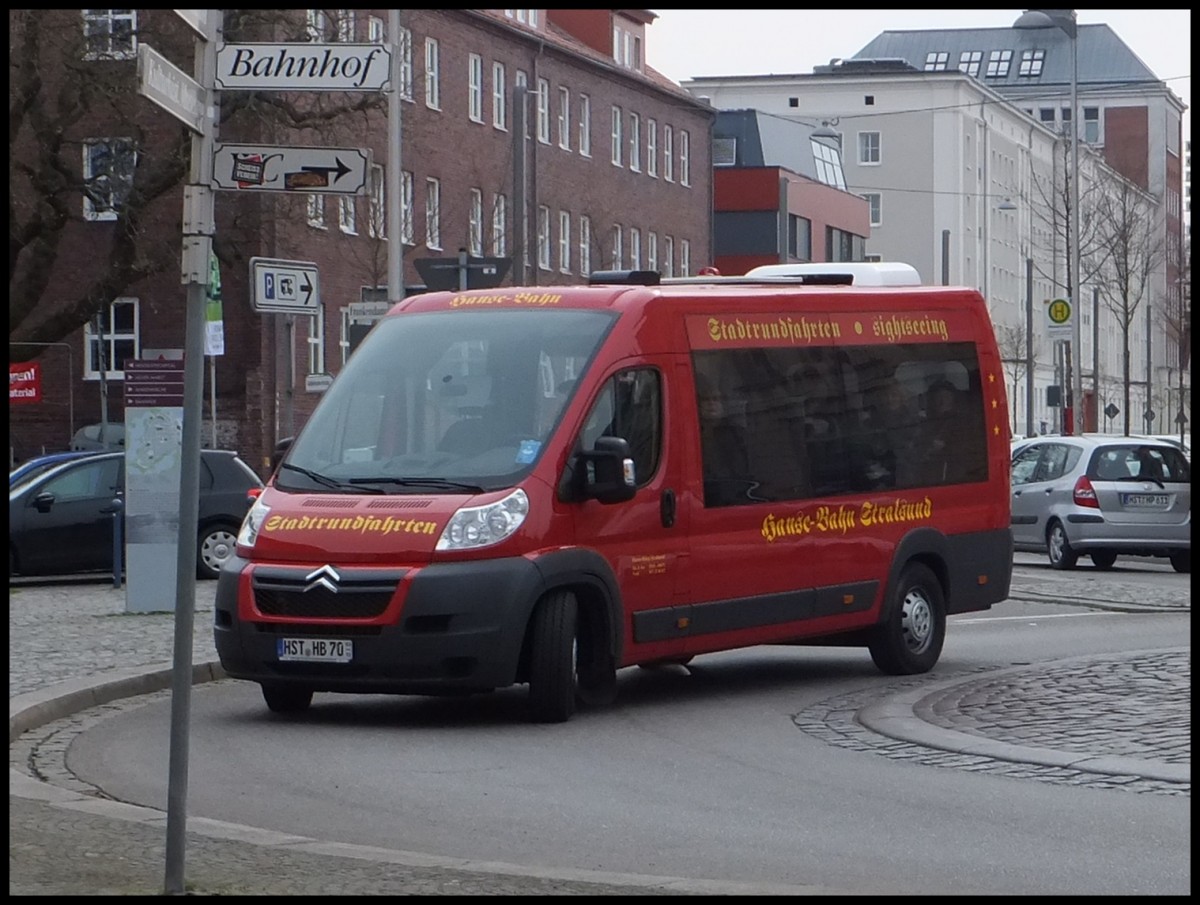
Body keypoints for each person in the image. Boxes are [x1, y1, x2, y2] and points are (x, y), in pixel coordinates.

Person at [696, 375, 751, 506]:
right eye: (706, 400)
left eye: (716, 399)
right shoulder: (694, 431)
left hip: (730, 498)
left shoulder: (734, 434)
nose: (711, 404)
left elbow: (739, 471)